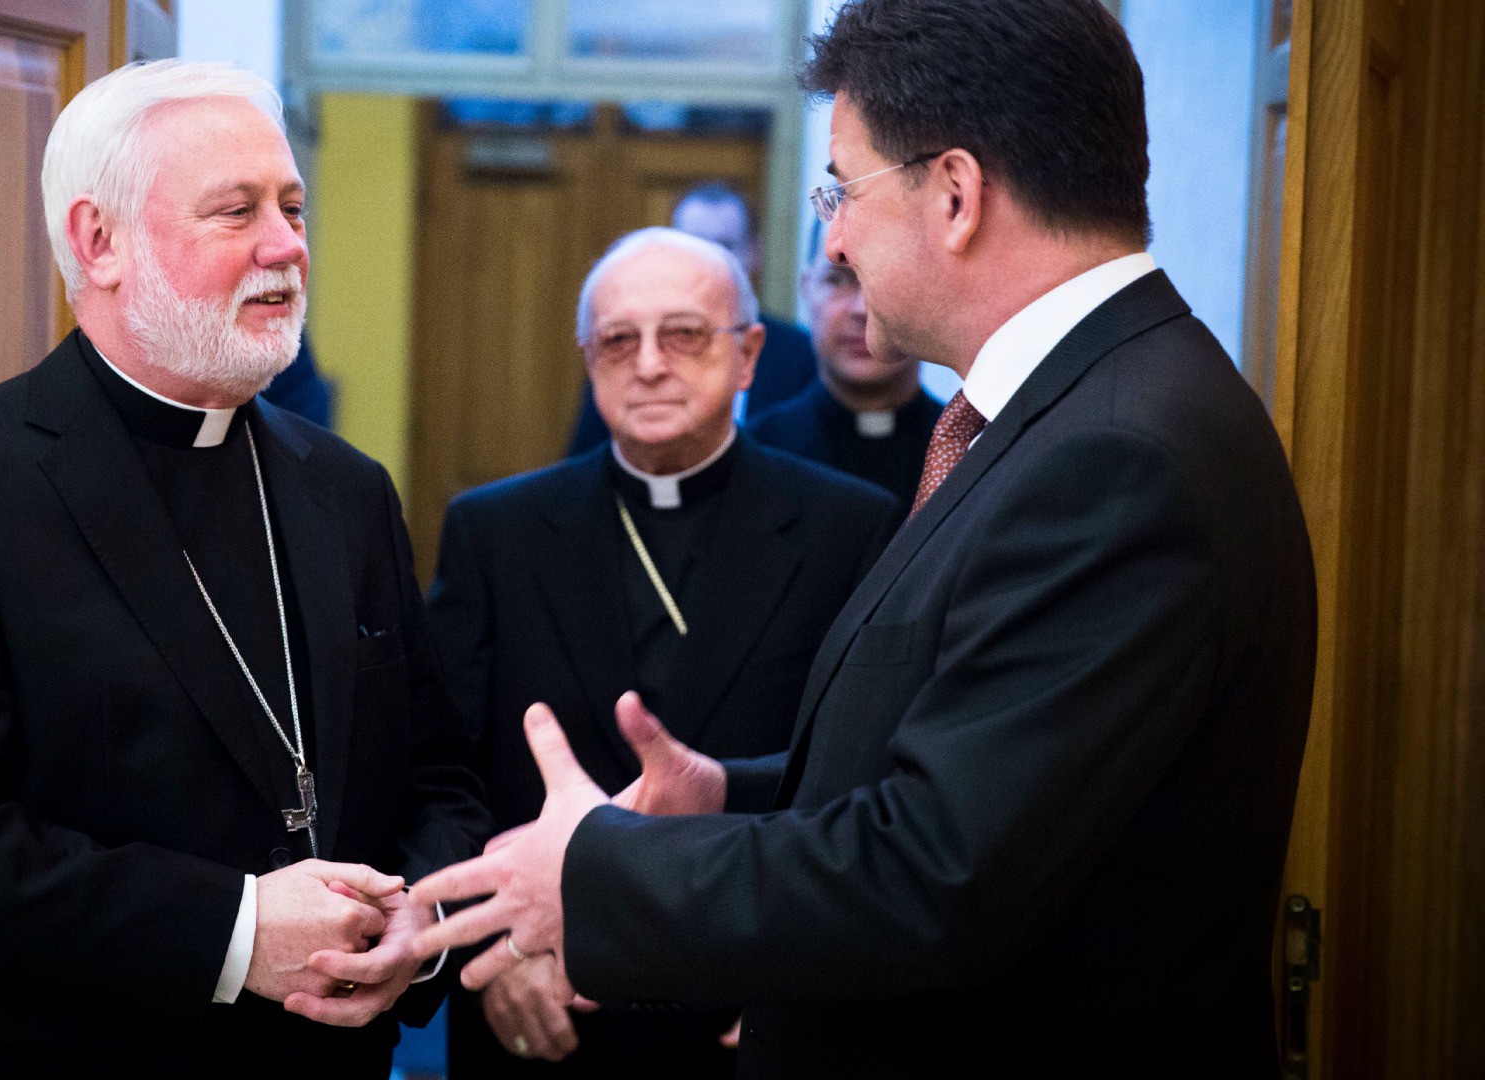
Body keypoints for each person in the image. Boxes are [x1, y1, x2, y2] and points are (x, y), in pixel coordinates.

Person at [408, 2, 1318, 1077]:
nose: (831, 235)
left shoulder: (1116, 454)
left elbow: (937, 873)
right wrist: (731, 793)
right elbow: (994, 772)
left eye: (842, 187)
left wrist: (597, 869)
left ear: (956, 194)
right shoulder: (1087, 409)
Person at [0, 60, 488, 1077]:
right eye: (237, 212)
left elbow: (440, 778)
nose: (287, 246)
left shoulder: (344, 489)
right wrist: (237, 928)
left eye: (293, 208)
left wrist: (414, 924)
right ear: (100, 241)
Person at [428, 228, 898, 1077]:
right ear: (589, 359)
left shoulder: (851, 530)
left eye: (683, 335)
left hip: (752, 1006)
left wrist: (799, 969)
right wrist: (489, 954)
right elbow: (440, 770)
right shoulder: (495, 533)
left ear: (750, 354)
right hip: (541, 1009)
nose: (648, 364)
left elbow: (858, 773)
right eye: (618, 340)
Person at [566, 185, 818, 456]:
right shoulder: (622, 345)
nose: (649, 366)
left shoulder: (799, 352)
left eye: (724, 245)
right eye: (692, 243)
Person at [746, 240, 942, 502]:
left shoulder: (969, 450)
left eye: (889, 280)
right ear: (806, 289)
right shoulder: (754, 456)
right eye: (837, 280)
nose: (862, 309)